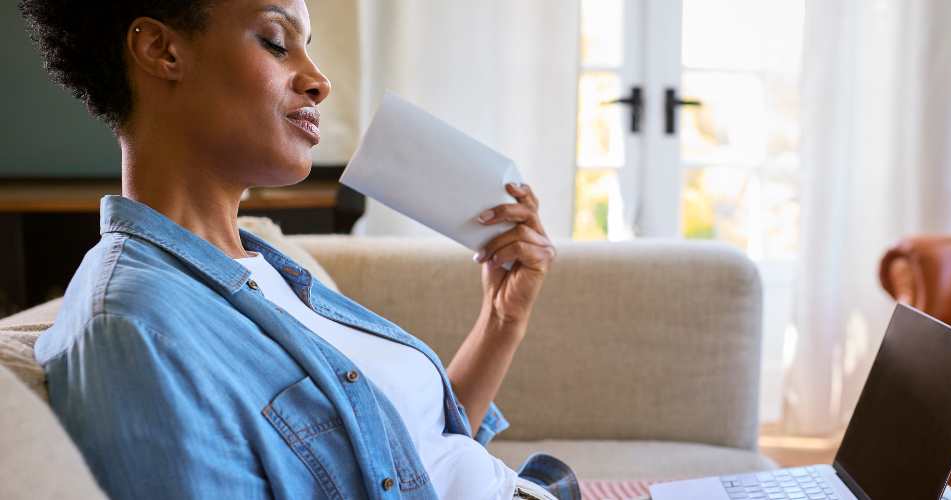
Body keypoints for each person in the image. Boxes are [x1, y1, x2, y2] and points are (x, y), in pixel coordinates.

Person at [19, 0, 577, 499]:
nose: (318, 81)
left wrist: (503, 319)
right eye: (276, 42)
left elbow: (420, 456)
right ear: (162, 50)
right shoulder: (137, 326)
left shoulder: (265, 266)